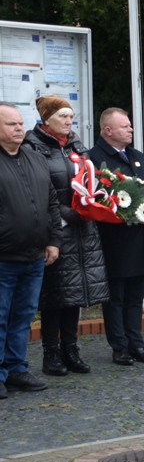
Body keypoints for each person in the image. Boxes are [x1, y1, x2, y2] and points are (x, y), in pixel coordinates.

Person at [22, 96, 108, 377]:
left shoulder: (75, 144)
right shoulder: (33, 147)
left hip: (83, 231)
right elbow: (37, 190)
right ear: (46, 120)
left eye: (71, 116)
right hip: (56, 231)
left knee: (74, 294)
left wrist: (96, 200)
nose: (69, 121)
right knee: (54, 295)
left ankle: (71, 350)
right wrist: (66, 212)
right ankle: (51, 354)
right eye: (63, 116)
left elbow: (89, 180)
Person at [88, 108, 144, 366]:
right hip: (114, 240)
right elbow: (95, 198)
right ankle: (119, 347)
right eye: (125, 126)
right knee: (115, 298)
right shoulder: (94, 158)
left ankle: (137, 345)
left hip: (141, 240)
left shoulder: (138, 157)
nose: (130, 130)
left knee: (135, 299)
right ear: (107, 130)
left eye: (130, 126)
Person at [0, 102, 61, 396]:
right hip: (4, 257)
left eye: (20, 123)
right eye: (11, 124)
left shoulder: (35, 158)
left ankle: (16, 370)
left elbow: (50, 202)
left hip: (35, 255)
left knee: (23, 316)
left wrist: (53, 241)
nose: (19, 128)